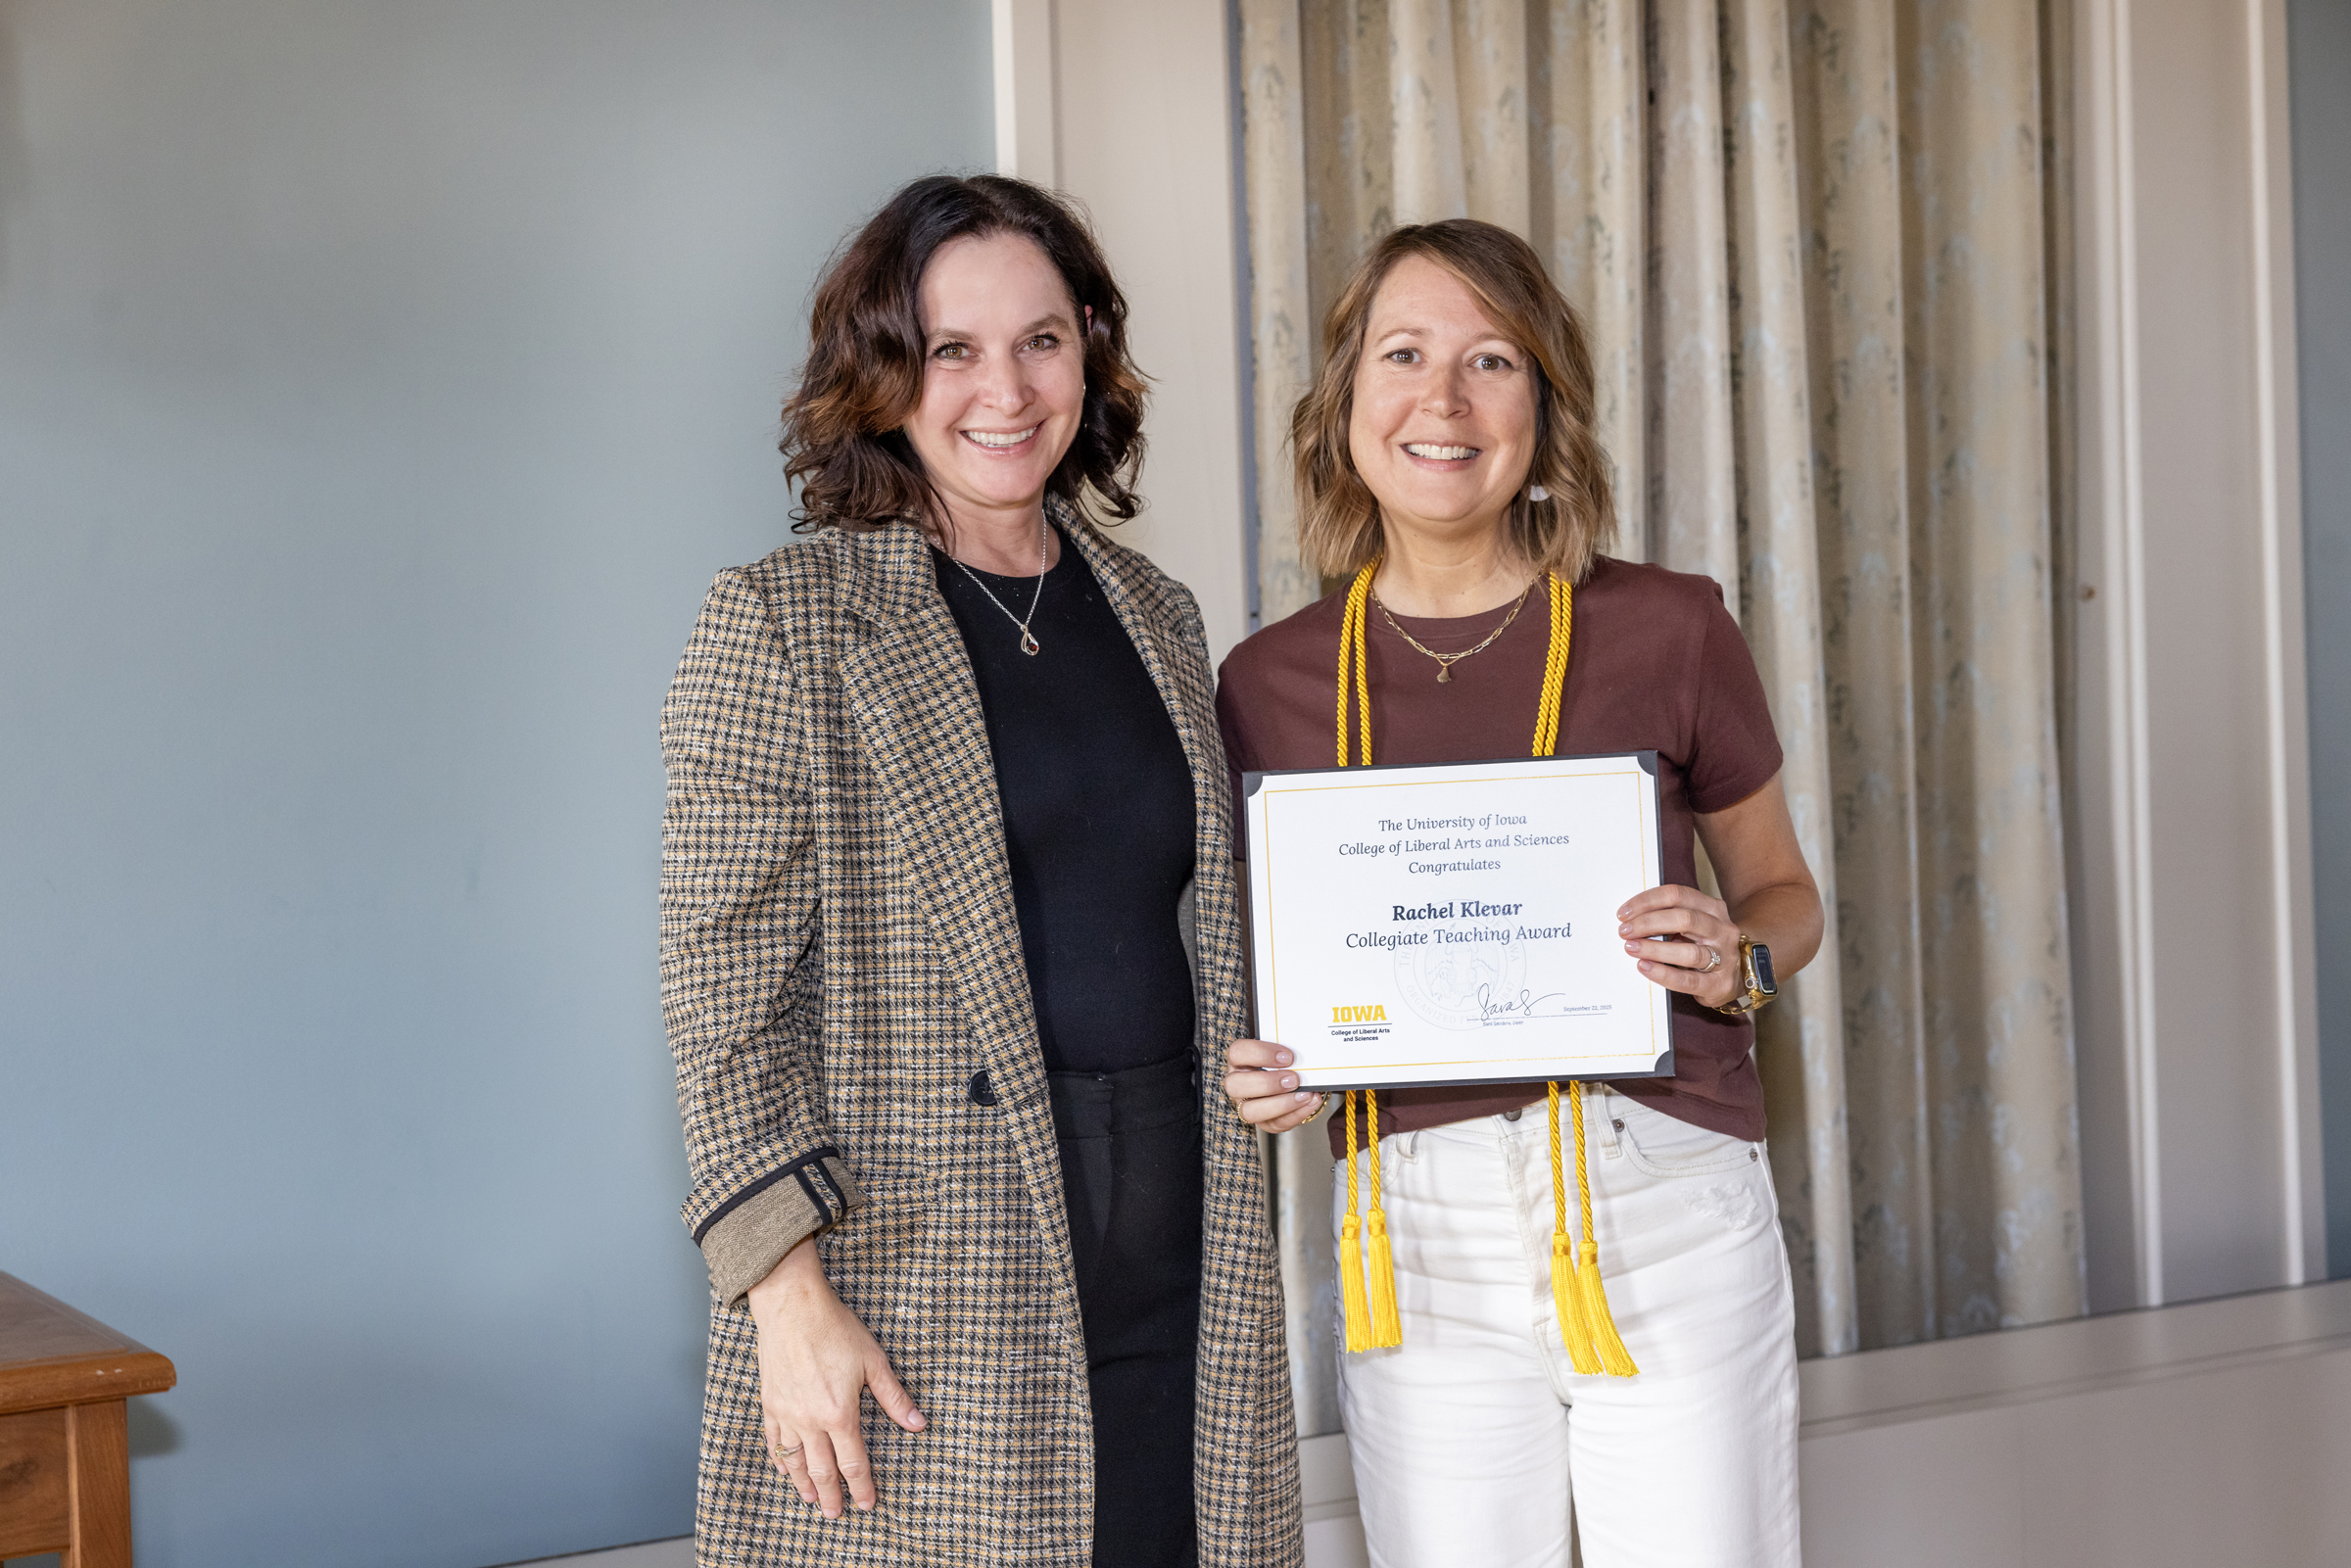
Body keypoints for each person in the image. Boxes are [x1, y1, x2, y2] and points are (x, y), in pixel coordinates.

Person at [661, 173, 1299, 1568]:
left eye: (1042, 340)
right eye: (953, 348)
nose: (1004, 389)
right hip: (917, 1282)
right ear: (884, 372)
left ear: (1091, 355)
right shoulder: (784, 624)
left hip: (1186, 1266)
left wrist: (1281, 1044)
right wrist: (784, 1296)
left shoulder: (1157, 613)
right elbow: (723, 1006)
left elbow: (1192, 927)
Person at [1218, 219, 1823, 1568]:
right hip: (1409, 1241)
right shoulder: (1265, 684)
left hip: (1662, 1209)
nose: (1443, 401)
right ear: (1345, 402)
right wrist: (1254, 1074)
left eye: (1492, 360)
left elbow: (1785, 891)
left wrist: (1741, 962)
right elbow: (1258, 980)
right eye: (1406, 355)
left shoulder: (1672, 624)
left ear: (1543, 407)